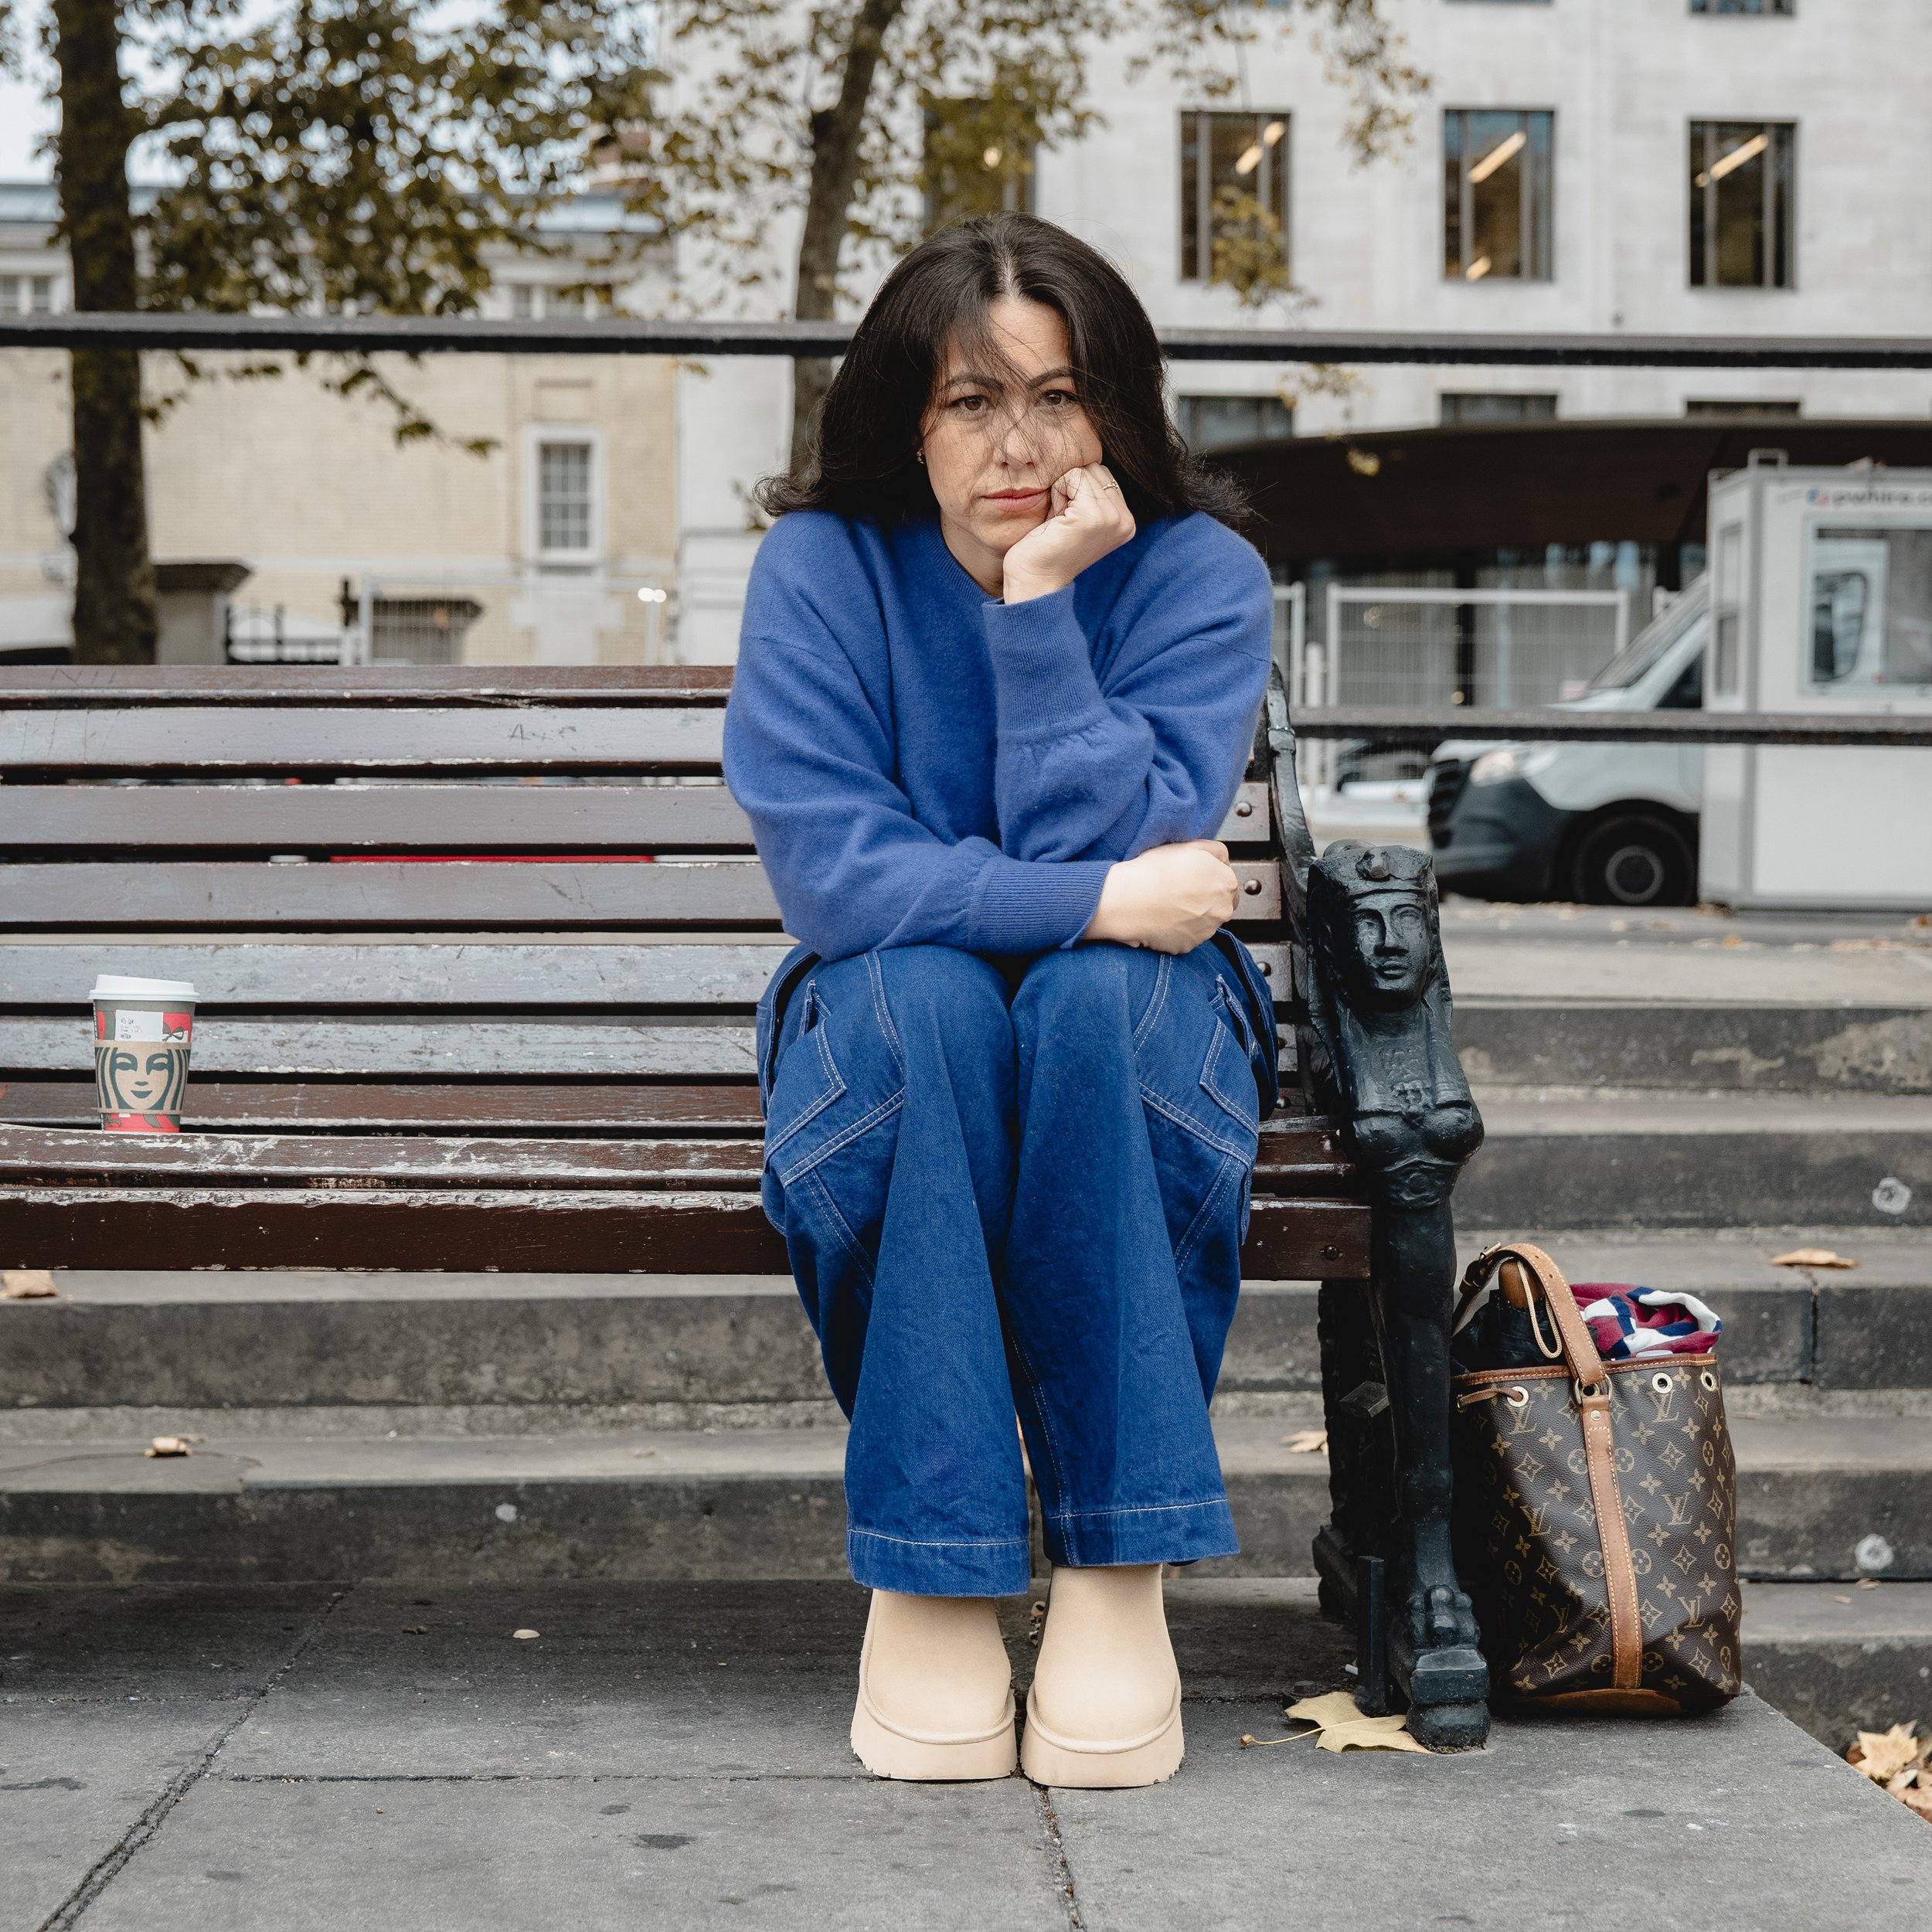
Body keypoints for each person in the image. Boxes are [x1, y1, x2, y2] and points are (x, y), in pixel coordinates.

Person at [723, 211, 1277, 1789]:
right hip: (896, 1044)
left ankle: (1114, 1574)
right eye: (972, 401)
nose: (1018, 445)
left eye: (1057, 395)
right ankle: (931, 1570)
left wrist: (1039, 608)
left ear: (1117, 405)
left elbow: (1085, 832)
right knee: (927, 1011)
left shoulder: (1191, 576)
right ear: (906, 415)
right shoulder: (822, 569)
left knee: (1091, 1010)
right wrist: (1101, 897)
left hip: (1139, 1038)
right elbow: (838, 882)